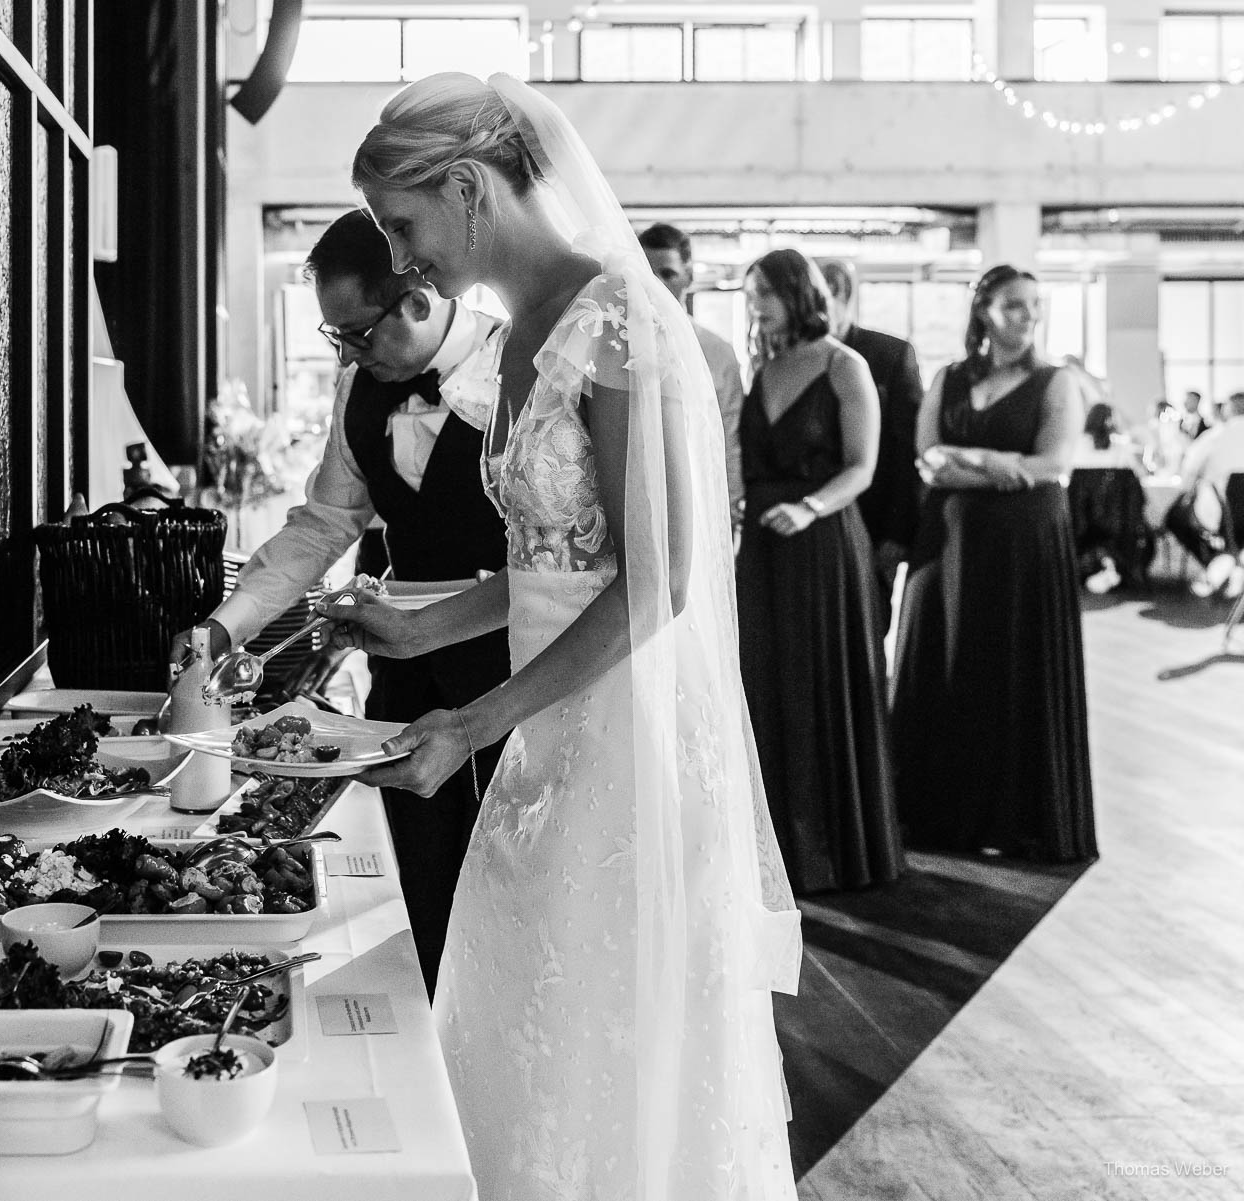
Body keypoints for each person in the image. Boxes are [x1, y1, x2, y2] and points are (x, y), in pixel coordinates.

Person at [320, 72, 800, 1200]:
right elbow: (545, 563)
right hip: (543, 736)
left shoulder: (622, 321)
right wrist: (412, 625)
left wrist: (472, 716)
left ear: (469, 188)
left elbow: (657, 582)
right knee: (525, 1023)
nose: (399, 260)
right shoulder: (525, 328)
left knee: (605, 1026)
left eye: (403, 225)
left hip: (623, 738)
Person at [173, 209, 510, 994]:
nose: (347, 354)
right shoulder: (363, 385)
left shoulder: (519, 368)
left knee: (501, 895)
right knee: (422, 884)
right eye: (337, 339)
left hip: (509, 674)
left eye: (355, 333)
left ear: (416, 300)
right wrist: (226, 626)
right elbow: (324, 522)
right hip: (401, 679)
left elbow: (564, 561)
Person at [891, 264, 1096, 863]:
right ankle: (937, 812)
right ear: (984, 312)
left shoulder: (1057, 382)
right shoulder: (949, 378)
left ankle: (1015, 817)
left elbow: (1051, 464)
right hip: (949, 543)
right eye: (1013, 305)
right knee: (945, 662)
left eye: (1033, 305)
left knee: (1011, 665)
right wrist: (997, 465)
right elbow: (927, 460)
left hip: (1024, 545)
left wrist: (970, 454)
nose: (1027, 315)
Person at [735, 249, 901, 895]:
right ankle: (774, 847)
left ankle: (829, 847)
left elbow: (863, 466)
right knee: (766, 684)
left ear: (798, 294)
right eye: (751, 295)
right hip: (763, 549)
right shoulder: (766, 367)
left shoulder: (844, 364)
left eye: (765, 293)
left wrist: (808, 508)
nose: (757, 305)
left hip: (824, 545)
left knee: (820, 684)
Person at [819, 260, 925, 613]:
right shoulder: (789, 360)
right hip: (815, 524)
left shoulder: (890, 354)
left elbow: (907, 450)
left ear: (842, 296)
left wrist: (896, 533)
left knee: (869, 625)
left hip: (875, 520)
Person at [640, 222, 748, 527]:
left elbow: (729, 434)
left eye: (668, 274)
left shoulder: (718, 352)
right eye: (647, 275)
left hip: (703, 501)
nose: (656, 285)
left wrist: (729, 505)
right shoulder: (614, 345)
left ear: (689, 276)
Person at [1164, 390, 1244, 599]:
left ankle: (1219, 562)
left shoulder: (1217, 435)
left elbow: (1190, 468)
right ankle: (1229, 563)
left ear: (1231, 408)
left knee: (1175, 518)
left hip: (1219, 512)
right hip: (1228, 515)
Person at [1069, 402, 1152, 594]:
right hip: (1117, 521)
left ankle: (1098, 567)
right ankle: (1115, 566)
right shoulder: (1122, 448)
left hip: (1081, 521)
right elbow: (1140, 476)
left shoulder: (1075, 446)